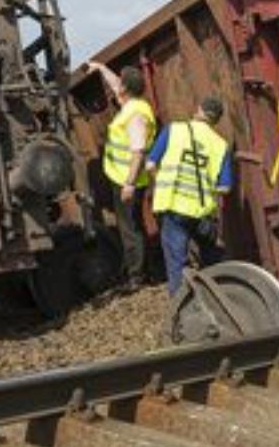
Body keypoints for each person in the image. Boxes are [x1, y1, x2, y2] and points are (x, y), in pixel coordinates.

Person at [145, 96, 234, 296]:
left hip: (172, 207)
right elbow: (225, 188)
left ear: (198, 110)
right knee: (212, 257)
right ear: (216, 120)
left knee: (177, 263)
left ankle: (181, 309)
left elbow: (150, 165)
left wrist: (161, 181)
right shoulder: (221, 145)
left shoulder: (174, 130)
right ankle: (223, 293)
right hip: (201, 212)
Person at [87, 61, 157, 288]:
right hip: (125, 177)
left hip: (128, 179)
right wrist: (100, 68)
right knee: (132, 225)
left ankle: (137, 277)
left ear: (126, 89)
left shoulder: (135, 114)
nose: (117, 86)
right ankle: (140, 270)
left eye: (121, 83)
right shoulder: (132, 104)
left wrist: (129, 183)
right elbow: (116, 83)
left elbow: (138, 151)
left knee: (130, 228)